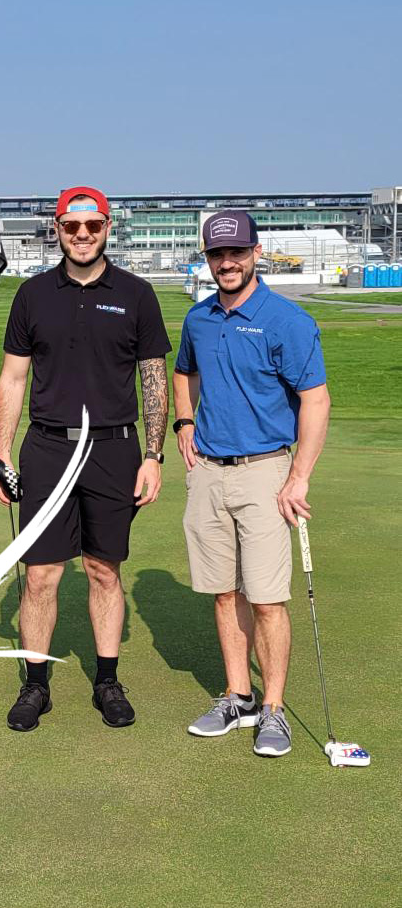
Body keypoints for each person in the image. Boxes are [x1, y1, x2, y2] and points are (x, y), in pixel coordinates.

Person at [0, 186, 171, 732]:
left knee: (103, 568)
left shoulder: (137, 294)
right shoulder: (33, 294)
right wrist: (2, 453)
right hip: (47, 447)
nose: (83, 235)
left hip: (115, 449)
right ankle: (35, 686)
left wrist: (154, 454)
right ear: (58, 228)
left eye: (92, 226)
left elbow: (154, 380)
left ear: (108, 227)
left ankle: (107, 681)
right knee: (41, 574)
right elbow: (13, 376)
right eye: (72, 226)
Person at [173, 209, 330, 758]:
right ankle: (238, 695)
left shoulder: (286, 320)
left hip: (267, 470)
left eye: (237, 252)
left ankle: (274, 709)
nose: (227, 262)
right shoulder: (198, 319)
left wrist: (298, 478)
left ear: (256, 252)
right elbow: (182, 371)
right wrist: (184, 422)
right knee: (223, 592)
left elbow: (315, 400)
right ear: (208, 259)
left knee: (266, 599)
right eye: (217, 254)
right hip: (209, 474)